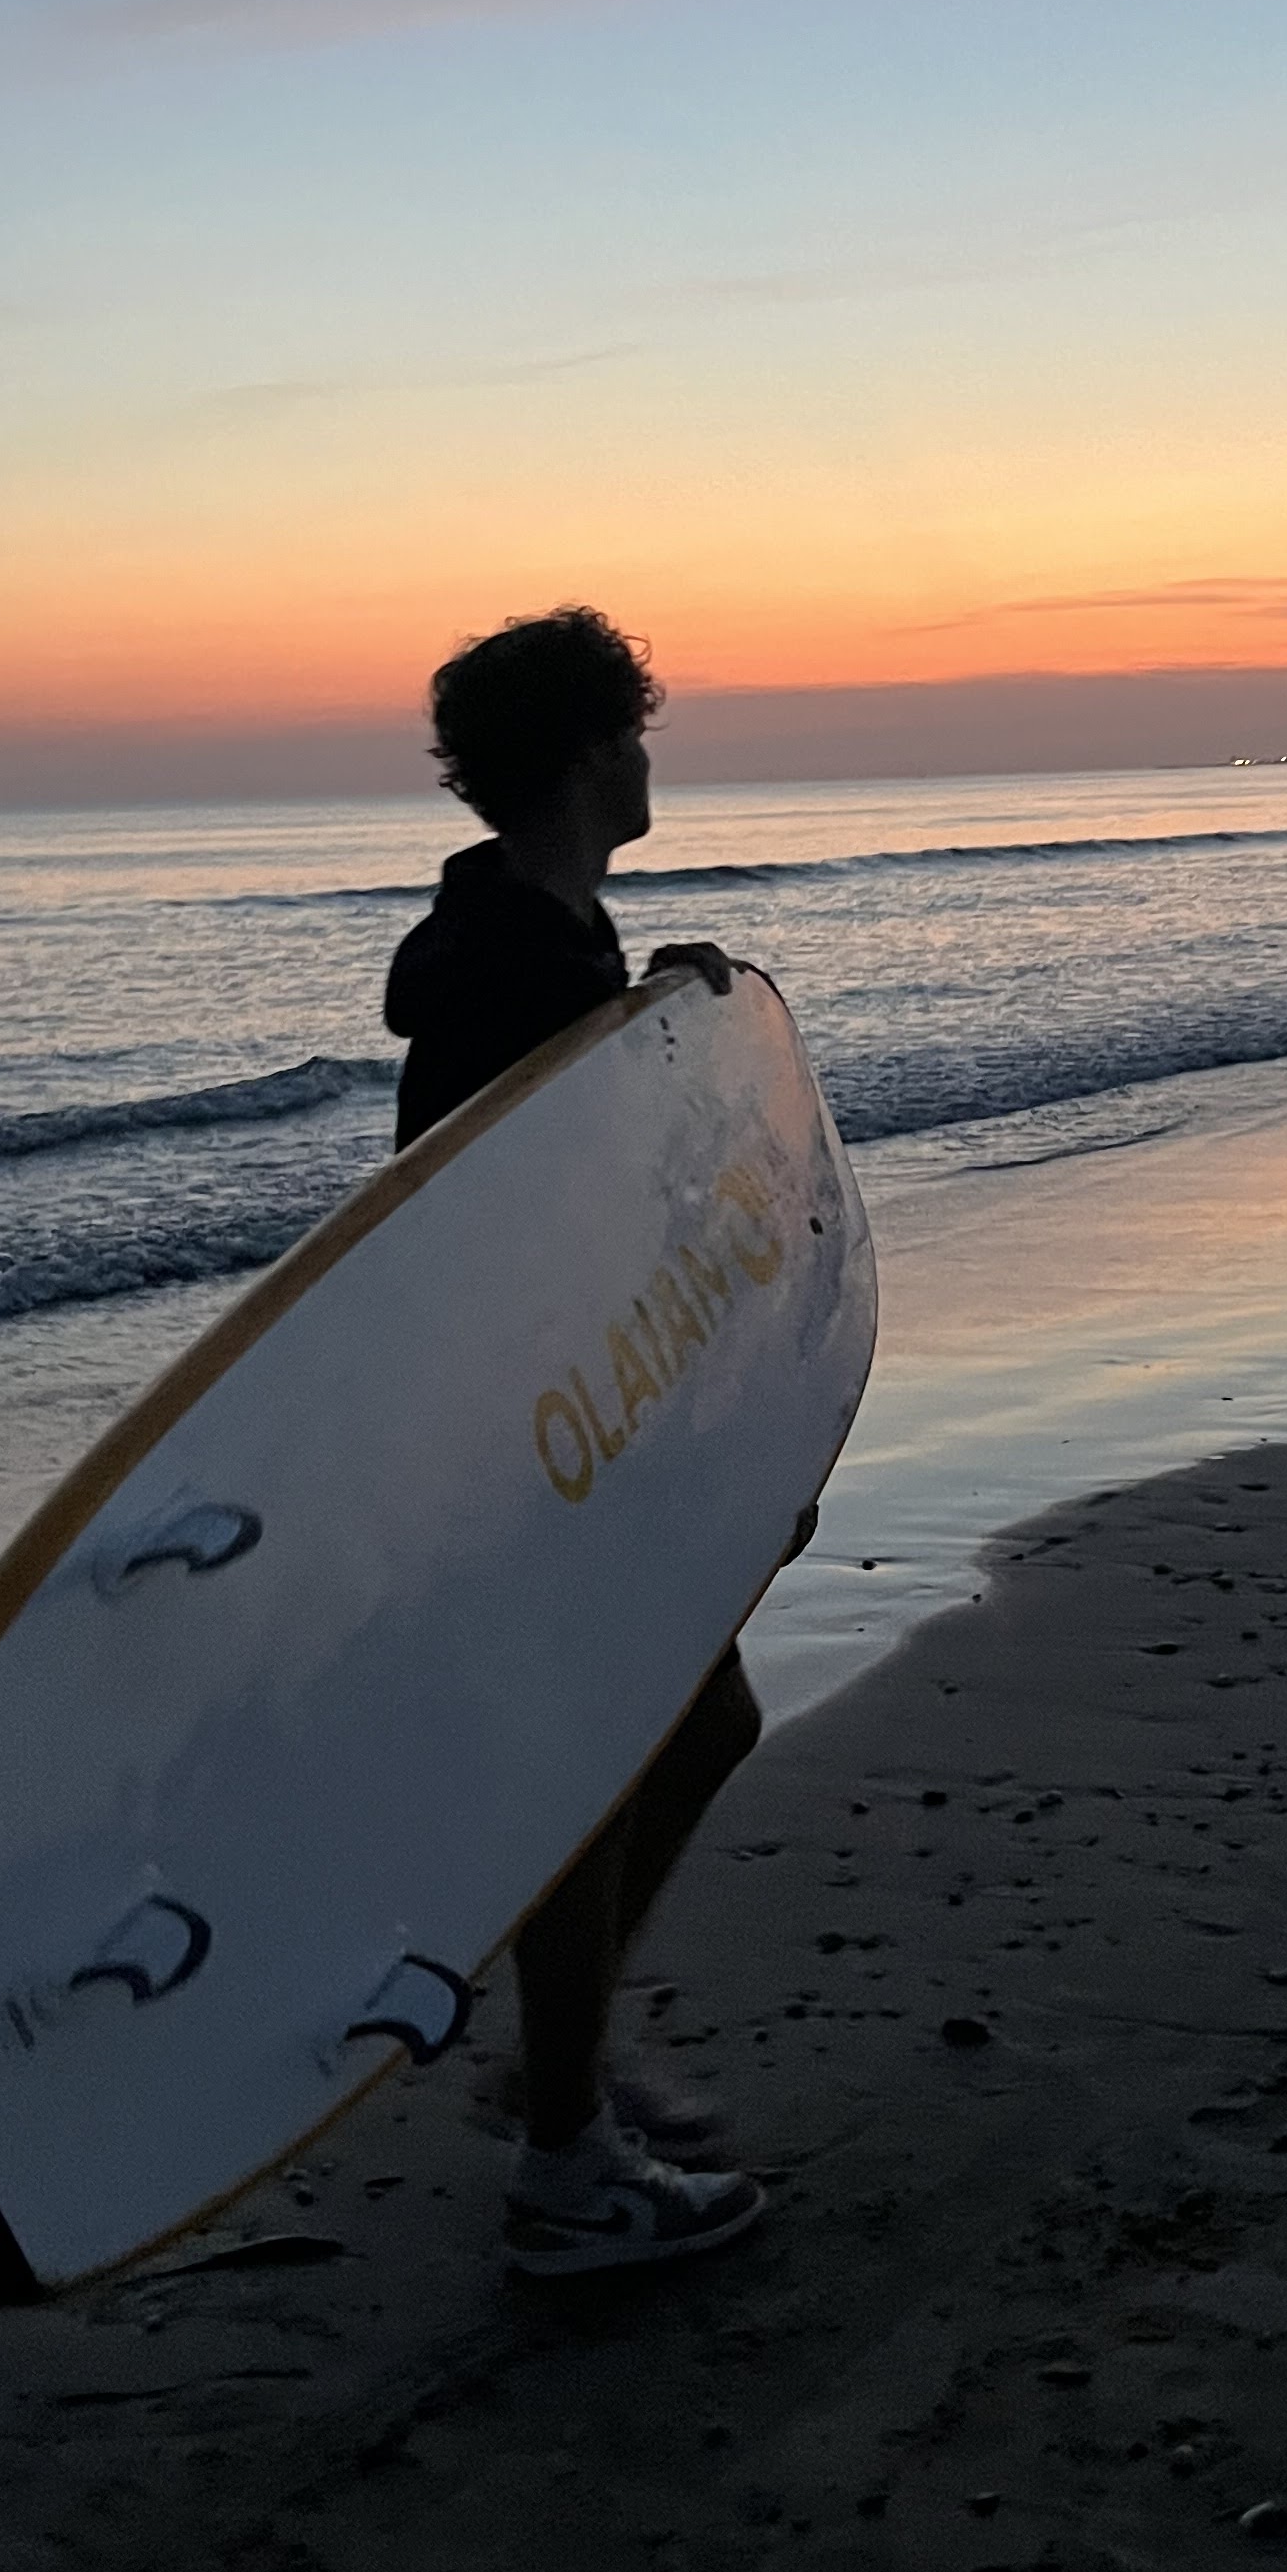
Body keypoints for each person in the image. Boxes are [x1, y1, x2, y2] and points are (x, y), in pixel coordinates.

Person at [383, 606, 784, 2280]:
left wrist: (659, 1029)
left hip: (542, 1425)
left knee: (694, 1727)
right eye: (629, 735)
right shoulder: (527, 976)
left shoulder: (534, 942)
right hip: (542, 1438)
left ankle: (562, 2064)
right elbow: (565, 1251)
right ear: (584, 757)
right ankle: (562, 2159)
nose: (644, 760)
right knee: (607, 1758)